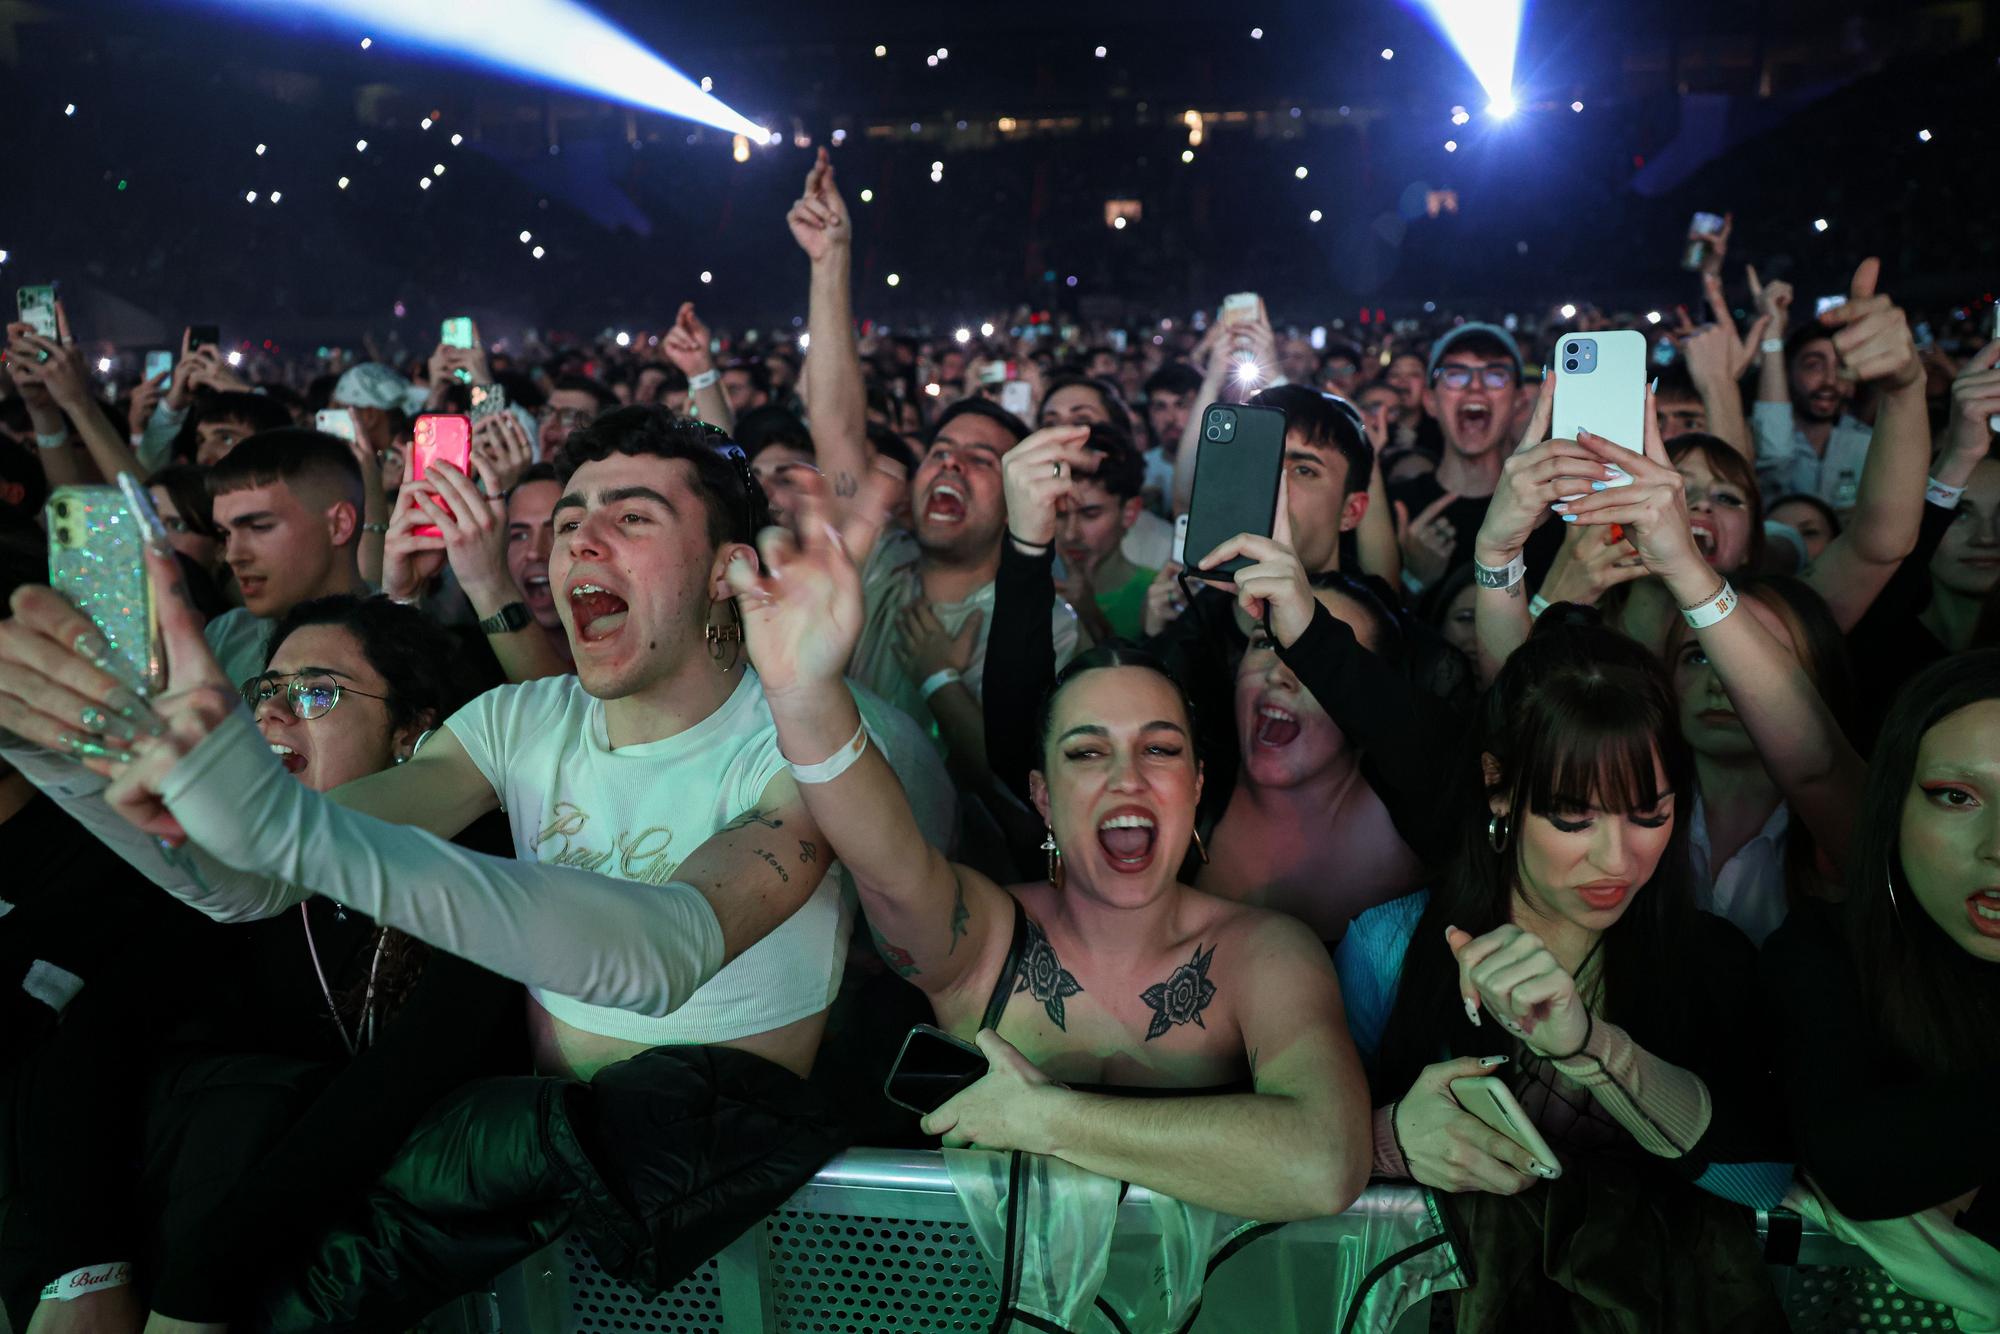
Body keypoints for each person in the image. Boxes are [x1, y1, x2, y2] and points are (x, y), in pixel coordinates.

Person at [0, 408, 948, 1324]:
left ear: (723, 570)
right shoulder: (517, 722)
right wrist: (76, 763)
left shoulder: (811, 740)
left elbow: (664, 953)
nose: (578, 543)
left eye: (631, 518)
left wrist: (288, 830)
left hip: (751, 1226)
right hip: (541, 1224)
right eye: (569, 522)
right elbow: (252, 883)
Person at [723, 473, 1372, 1222]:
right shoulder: (986, 939)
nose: (1127, 779)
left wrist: (1049, 1118)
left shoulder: (1267, 953)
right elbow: (890, 867)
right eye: (1087, 753)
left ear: (1197, 784)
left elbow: (1324, 1163)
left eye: (1159, 750)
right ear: (1042, 797)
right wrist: (805, 696)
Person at [2, 595, 522, 1333]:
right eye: (266, 691)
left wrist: (196, 1290)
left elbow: (394, 1090)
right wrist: (82, 1271)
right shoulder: (244, 877)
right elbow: (100, 1026)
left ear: (411, 732)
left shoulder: (482, 866)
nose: (274, 714)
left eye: (316, 692)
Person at [1337, 612, 1788, 1327]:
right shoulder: (1389, 949)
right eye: (1574, 819)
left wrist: (1595, 1051)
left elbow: (1763, 1181)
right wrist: (1389, 1138)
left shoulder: (1712, 959)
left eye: (1649, 814)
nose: (1617, 860)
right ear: (1498, 788)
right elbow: (1301, 1152)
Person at [788, 148, 1080, 747]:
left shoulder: (1048, 628)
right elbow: (838, 425)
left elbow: (1023, 797)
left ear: (1015, 504)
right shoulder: (872, 565)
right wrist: (831, 259)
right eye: (941, 451)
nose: (949, 463)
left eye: (979, 461)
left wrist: (938, 679)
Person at [1761, 652, 2000, 1327]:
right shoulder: (1825, 954)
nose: (1998, 847)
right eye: (1957, 796)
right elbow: (1857, 1162)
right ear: (1893, 804)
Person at [203, 429, 374, 686]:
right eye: (225, 533)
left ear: (339, 524)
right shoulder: (225, 636)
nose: (233, 555)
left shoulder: (401, 644)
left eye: (259, 527)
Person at [1386, 324, 1540, 594]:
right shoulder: (1395, 509)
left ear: (1519, 402)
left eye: (1495, 375)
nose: (1475, 388)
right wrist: (1413, 580)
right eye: (1455, 375)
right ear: (1430, 400)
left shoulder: (1543, 514)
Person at [1751, 267, 1878, 507]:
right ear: (1788, 373)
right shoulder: (1752, 439)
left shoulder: (1870, 444)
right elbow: (1774, 461)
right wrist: (1772, 333)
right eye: (1814, 366)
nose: (1830, 380)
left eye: (1841, 366)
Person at [1051, 426, 1154, 643]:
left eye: (1090, 514)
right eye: (1059, 514)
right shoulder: (1034, 590)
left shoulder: (1157, 597)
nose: (1070, 534)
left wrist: (1091, 617)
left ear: (1129, 513)